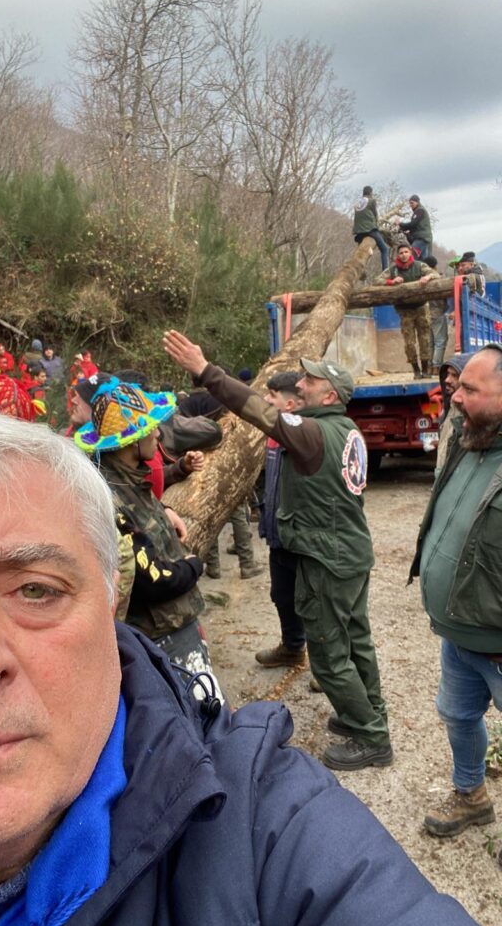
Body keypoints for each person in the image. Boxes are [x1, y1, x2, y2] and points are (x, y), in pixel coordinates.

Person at [0, 407, 502, 926]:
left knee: (336, 652)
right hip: (261, 584)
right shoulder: (143, 486)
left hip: (319, 571)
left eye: (35, 590)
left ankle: (369, 728)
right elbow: (166, 564)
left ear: (107, 605)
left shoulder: (258, 824)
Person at [163, 330, 393, 771]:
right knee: (356, 641)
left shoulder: (311, 433)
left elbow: (263, 415)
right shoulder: (345, 429)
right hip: (349, 553)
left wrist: (206, 372)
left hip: (327, 559)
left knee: (327, 649)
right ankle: (366, 715)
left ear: (329, 394)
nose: (300, 385)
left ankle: (371, 736)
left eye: (310, 381)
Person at [409, 343, 502, 838]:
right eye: (458, 385)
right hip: (459, 635)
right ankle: (471, 796)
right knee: (458, 717)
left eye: (470, 388)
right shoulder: (467, 441)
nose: (456, 395)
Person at [74, 378, 218, 682]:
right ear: (130, 442)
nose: (157, 433)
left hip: (174, 623)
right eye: (150, 428)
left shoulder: (129, 479)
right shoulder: (109, 498)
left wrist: (165, 510)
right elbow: (151, 579)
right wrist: (195, 564)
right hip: (161, 633)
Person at [254, 372, 307, 668]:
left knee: (314, 603)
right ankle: (293, 647)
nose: (266, 400)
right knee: (282, 596)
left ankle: (331, 667)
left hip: (301, 540)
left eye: (272, 395)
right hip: (278, 536)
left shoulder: (304, 436)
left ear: (288, 403)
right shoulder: (274, 435)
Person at [377, 243, 440, 377]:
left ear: (410, 253)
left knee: (425, 340)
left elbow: (435, 273)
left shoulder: (419, 265)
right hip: (405, 311)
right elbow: (377, 280)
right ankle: (416, 369)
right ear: (397, 255)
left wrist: (427, 277)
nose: (404, 255)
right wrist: (391, 282)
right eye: (401, 253)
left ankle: (425, 368)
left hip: (421, 307)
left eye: (406, 252)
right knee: (409, 343)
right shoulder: (393, 270)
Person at [435, 353, 472, 471]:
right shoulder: (448, 409)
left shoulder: (473, 415)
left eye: (454, 376)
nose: (447, 380)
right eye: (447, 374)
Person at [352, 185, 389, 270]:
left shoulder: (358, 203)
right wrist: (377, 228)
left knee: (362, 253)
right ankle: (385, 271)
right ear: (371, 192)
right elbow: (376, 215)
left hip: (358, 232)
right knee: (385, 249)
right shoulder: (372, 200)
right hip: (370, 229)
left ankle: (361, 270)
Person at [424, 255, 448, 373]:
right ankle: (436, 367)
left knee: (430, 342)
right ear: (435, 266)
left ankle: (428, 367)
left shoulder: (422, 278)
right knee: (440, 340)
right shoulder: (438, 277)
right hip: (437, 312)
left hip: (425, 313)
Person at [398, 194, 433, 259]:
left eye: (412, 203)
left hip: (421, 238)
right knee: (423, 261)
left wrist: (400, 224)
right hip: (424, 238)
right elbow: (414, 226)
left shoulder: (420, 210)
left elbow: (413, 224)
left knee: (411, 257)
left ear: (417, 202)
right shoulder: (419, 211)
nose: (410, 205)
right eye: (410, 203)